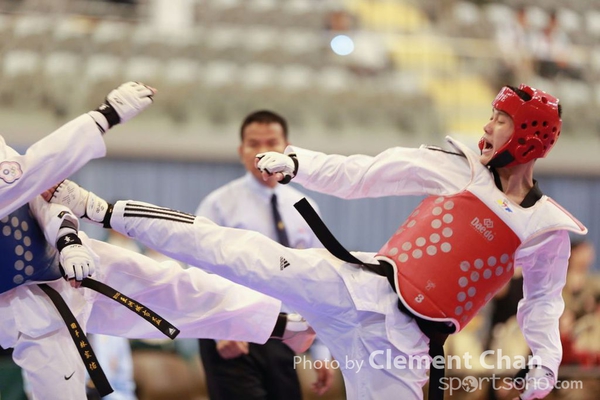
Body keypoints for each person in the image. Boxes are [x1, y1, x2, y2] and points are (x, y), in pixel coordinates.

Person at [47, 84, 587, 400]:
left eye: (499, 120)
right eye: (491, 117)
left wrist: (544, 359)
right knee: (235, 253)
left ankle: (292, 330)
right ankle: (97, 207)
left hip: (403, 349)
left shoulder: (545, 229)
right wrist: (299, 163)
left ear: (529, 135)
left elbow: (544, 300)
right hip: (355, 287)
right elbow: (365, 174)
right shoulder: (460, 167)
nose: (486, 128)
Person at [1, 82, 313, 400]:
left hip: (63, 257)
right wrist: (103, 117)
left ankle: (283, 325)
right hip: (21, 298)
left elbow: (40, 196)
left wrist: (67, 238)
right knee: (59, 388)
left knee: (167, 284)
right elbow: (24, 177)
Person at [196, 110, 334, 399]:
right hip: (232, 332)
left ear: (287, 148)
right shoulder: (218, 205)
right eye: (253, 144)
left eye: (271, 142)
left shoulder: (305, 207)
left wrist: (322, 348)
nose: (262, 152)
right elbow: (199, 274)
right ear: (241, 151)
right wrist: (220, 327)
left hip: (283, 332)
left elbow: (319, 283)